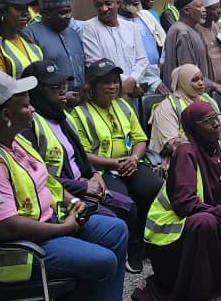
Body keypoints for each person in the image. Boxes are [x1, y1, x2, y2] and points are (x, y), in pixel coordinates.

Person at [0, 72, 127, 299]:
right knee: (104, 261)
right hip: (18, 248)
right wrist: (64, 229)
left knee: (117, 230)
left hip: (48, 223)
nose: (32, 110)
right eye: (26, 106)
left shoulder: (18, 141)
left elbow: (49, 182)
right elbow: (5, 229)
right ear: (6, 115)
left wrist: (74, 202)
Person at [137, 101, 221, 301]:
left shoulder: (216, 148)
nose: (216, 124)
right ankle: (195, 287)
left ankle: (216, 279)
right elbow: (184, 204)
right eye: (208, 121)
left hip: (203, 212)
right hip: (170, 230)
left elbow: (220, 194)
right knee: (205, 222)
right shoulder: (186, 152)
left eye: (216, 117)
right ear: (194, 127)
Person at [69, 59, 164, 270]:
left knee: (155, 188)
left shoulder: (123, 105)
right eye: (106, 82)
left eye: (115, 82)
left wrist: (134, 159)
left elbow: (140, 139)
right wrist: (113, 163)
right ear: (92, 86)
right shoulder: (80, 113)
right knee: (124, 203)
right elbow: (83, 153)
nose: (112, 86)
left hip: (130, 164)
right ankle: (131, 245)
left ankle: (146, 238)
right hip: (101, 170)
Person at [19, 59, 135, 220]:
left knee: (129, 207)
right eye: (55, 88)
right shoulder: (29, 125)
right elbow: (40, 178)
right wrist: (83, 186)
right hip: (60, 196)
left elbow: (79, 156)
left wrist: (94, 174)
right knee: (114, 221)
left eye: (63, 86)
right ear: (37, 93)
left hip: (82, 183)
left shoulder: (63, 117)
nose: (62, 92)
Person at [148, 64, 221, 168]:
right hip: (184, 158)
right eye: (195, 80)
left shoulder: (208, 100)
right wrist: (210, 146)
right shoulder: (167, 107)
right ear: (183, 82)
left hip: (213, 152)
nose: (201, 83)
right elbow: (171, 143)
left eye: (202, 79)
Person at [81, 0, 149, 99]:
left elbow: (142, 60)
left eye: (108, 3)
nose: (103, 9)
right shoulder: (89, 28)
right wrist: (123, 84)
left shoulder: (131, 28)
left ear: (118, 3)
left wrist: (133, 80)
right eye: (99, 5)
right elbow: (96, 63)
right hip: (107, 93)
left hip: (133, 92)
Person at [23, 0, 85, 102]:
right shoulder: (30, 34)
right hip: (50, 103)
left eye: (69, 11)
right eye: (63, 12)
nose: (68, 16)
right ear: (46, 13)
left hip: (80, 103)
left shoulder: (73, 33)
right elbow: (33, 76)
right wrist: (61, 95)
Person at [115, 0, 166, 92]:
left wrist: (162, 64)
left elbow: (164, 43)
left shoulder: (146, 15)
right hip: (131, 81)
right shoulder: (116, 23)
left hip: (157, 75)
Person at [160, 0, 212, 92]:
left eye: (203, 6)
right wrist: (217, 86)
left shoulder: (190, 29)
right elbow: (190, 73)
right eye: (199, 6)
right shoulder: (182, 32)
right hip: (186, 95)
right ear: (187, 10)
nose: (204, 9)